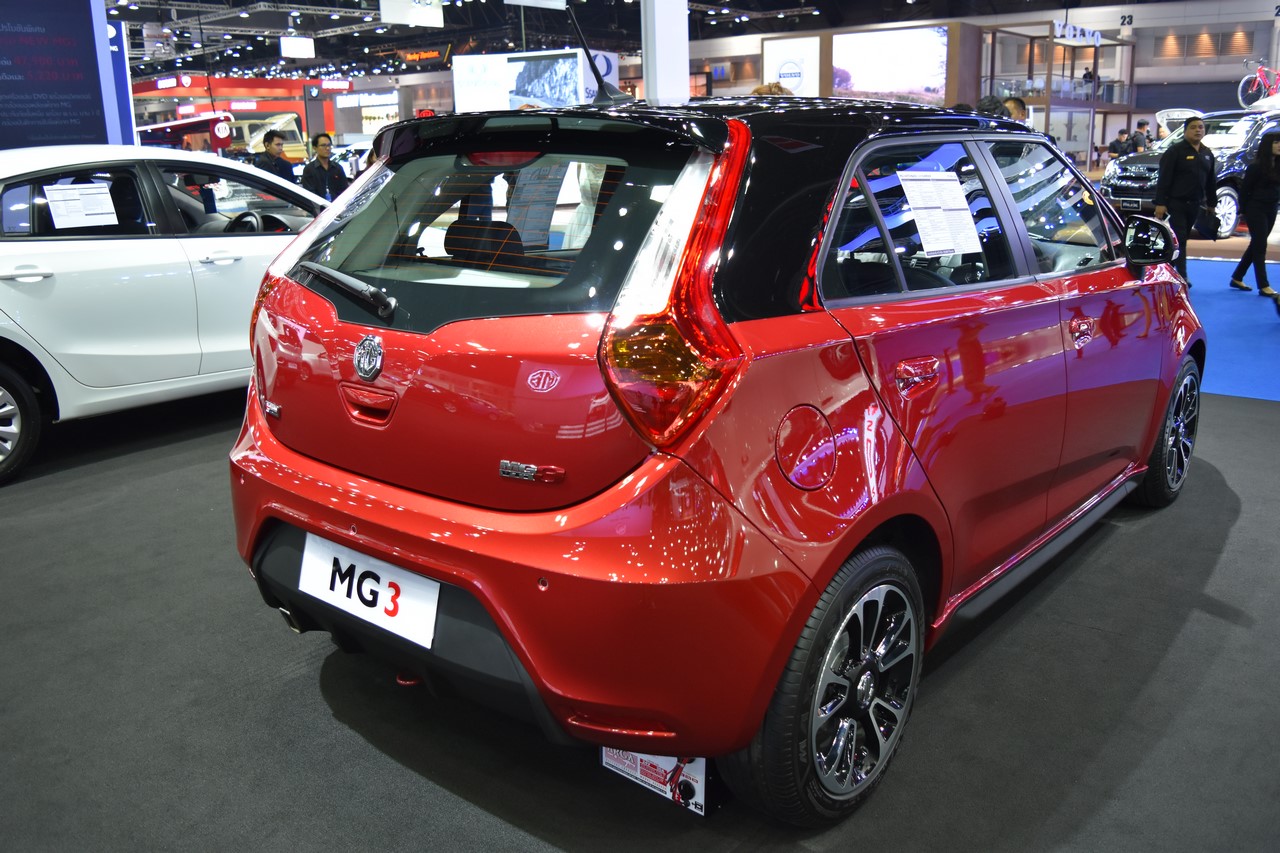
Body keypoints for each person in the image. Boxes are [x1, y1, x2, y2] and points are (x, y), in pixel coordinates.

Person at [1153, 115, 1216, 284]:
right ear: (1185, 130)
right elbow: (1164, 178)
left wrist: (1212, 203)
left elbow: (1211, 180)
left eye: (1201, 127)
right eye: (1193, 127)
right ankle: (1182, 276)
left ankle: (1167, 270)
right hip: (1176, 204)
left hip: (1195, 205)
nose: (1198, 130)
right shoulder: (1175, 151)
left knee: (1182, 239)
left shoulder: (1207, 153)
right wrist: (1160, 203)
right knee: (1179, 238)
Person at [1228, 131, 1280, 297]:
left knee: (1257, 244)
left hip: (1271, 207)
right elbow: (1245, 192)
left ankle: (1237, 277)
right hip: (1255, 208)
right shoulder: (1255, 167)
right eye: (1276, 142)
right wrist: (1242, 211)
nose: (1279, 145)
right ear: (1267, 145)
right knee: (1260, 245)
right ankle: (1263, 285)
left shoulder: (1278, 165)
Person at [300, 132, 349, 201]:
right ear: (315, 148)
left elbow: (345, 190)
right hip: (318, 207)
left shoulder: (337, 168)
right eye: (323, 145)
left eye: (329, 145)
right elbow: (309, 193)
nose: (327, 148)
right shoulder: (309, 169)